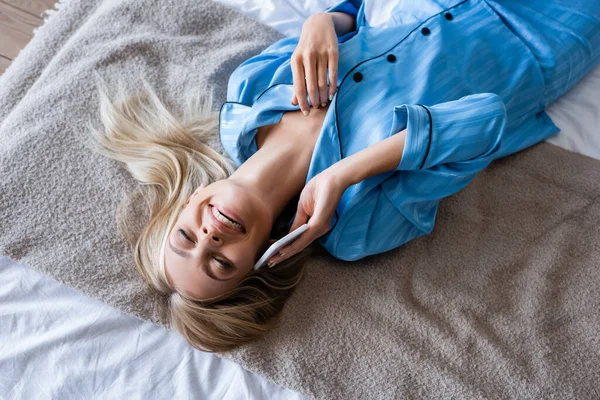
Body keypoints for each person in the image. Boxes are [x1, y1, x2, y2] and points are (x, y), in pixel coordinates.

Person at [90, 0, 600, 352]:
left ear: (190, 198)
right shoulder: (356, 229)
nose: (210, 237)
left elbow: (352, 15)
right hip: (542, 35)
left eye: (186, 237)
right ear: (263, 260)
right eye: (221, 263)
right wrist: (347, 172)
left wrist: (319, 22)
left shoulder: (244, 102)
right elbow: (486, 120)